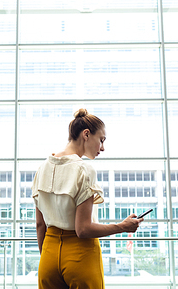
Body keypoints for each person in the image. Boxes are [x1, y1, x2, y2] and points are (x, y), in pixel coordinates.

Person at [32, 108, 144, 289]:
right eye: (101, 140)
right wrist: (122, 227)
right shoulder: (84, 169)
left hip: (48, 254)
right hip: (80, 254)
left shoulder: (42, 167)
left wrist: (47, 256)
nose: (102, 148)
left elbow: (40, 224)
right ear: (86, 134)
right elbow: (82, 229)